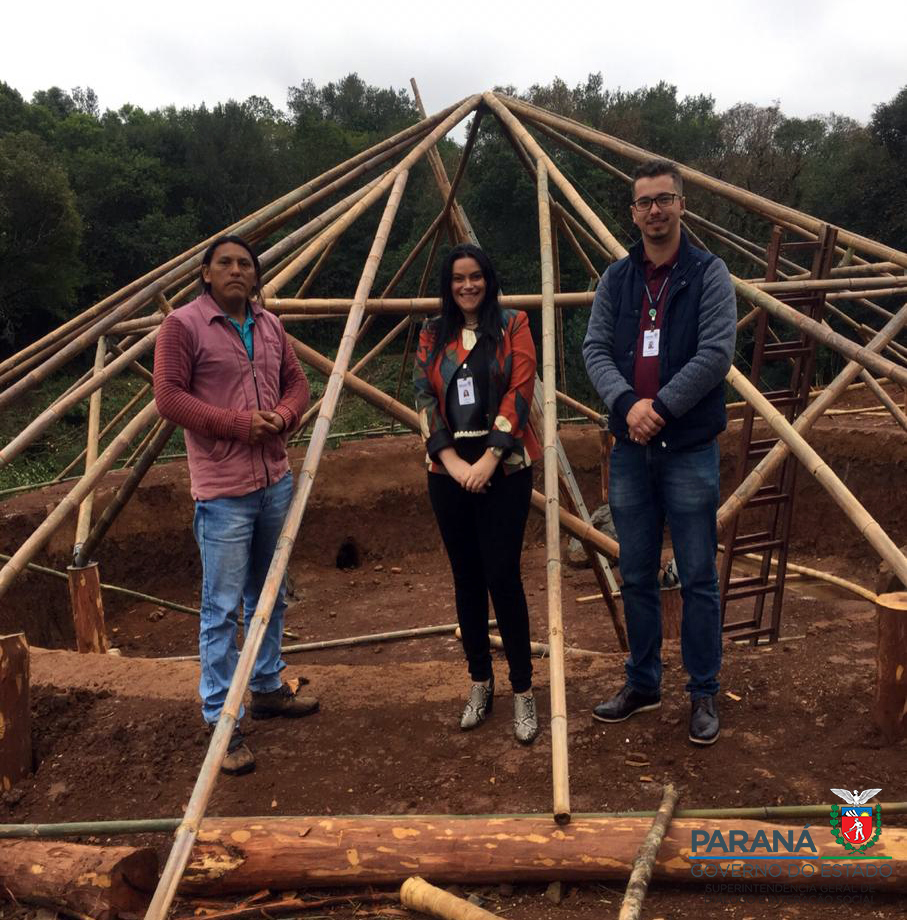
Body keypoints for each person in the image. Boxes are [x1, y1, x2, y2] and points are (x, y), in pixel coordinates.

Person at [582, 160, 737, 745]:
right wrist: (627, 405)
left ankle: (703, 694)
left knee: (697, 575)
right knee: (637, 574)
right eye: (644, 201)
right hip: (630, 449)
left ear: (681, 205)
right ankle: (643, 682)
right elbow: (595, 348)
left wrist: (659, 408)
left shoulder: (708, 273)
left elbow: (716, 352)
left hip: (688, 447)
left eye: (664, 199)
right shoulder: (617, 279)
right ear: (632, 211)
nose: (654, 210)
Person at [154, 235, 318, 775]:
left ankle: (268, 684)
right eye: (224, 263)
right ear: (205, 273)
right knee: (222, 607)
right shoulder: (183, 325)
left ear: (255, 275)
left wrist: (286, 417)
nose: (235, 271)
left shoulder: (269, 324)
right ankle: (222, 718)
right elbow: (169, 397)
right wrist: (235, 425)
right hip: (223, 488)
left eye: (245, 264)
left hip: (274, 479)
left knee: (269, 591)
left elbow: (297, 383)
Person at [413, 243, 542, 744]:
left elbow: (521, 389)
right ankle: (479, 681)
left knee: (503, 577)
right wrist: (451, 462)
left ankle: (524, 691)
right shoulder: (432, 333)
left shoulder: (513, 325)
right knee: (466, 578)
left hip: (505, 470)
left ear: (488, 280)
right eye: (458, 279)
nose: (467, 286)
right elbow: (424, 397)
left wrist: (489, 458)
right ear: (448, 286)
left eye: (476, 277)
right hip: (448, 473)